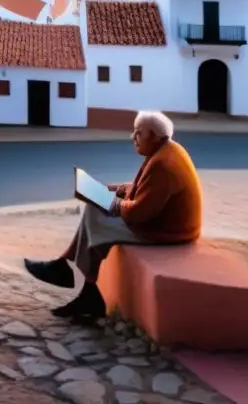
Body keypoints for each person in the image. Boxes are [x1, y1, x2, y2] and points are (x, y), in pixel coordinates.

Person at [23, 110, 203, 320]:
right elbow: (144, 190)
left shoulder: (163, 164)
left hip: (165, 231)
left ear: (154, 136)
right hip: (163, 222)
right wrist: (110, 190)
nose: (132, 137)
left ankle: (78, 281)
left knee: (96, 214)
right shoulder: (165, 150)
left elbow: (138, 214)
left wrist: (111, 202)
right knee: (95, 206)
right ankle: (72, 273)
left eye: (138, 133)